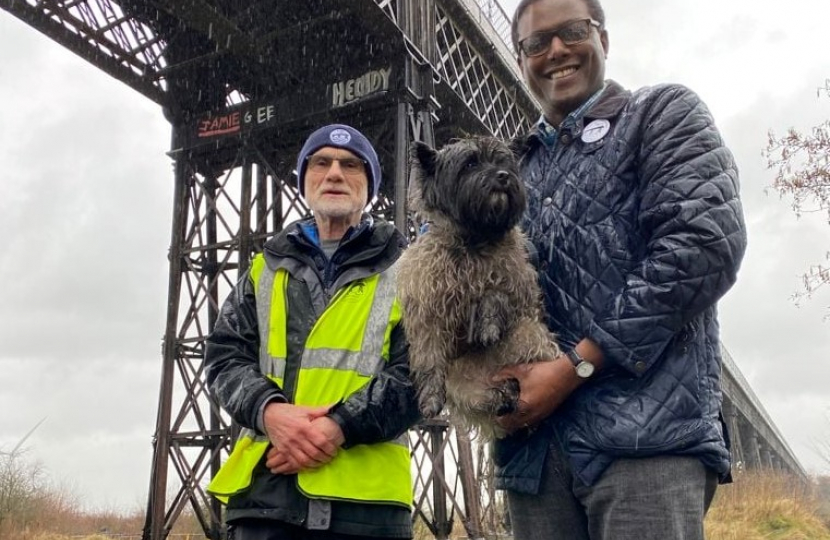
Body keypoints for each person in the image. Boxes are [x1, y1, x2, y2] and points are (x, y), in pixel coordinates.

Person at [493, 1, 748, 539]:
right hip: (534, 457)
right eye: (537, 43)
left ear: (603, 40)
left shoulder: (662, 114)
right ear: (521, 59)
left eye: (572, 32)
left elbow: (702, 247)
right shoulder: (509, 169)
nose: (556, 50)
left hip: (646, 443)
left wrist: (571, 370)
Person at [205, 123, 420, 540]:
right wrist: (271, 413)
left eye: (351, 165)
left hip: (367, 511)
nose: (334, 173)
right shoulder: (262, 269)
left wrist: (338, 425)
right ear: (305, 180)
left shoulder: (410, 271)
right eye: (321, 163)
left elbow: (423, 374)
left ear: (370, 186)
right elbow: (223, 358)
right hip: (265, 502)